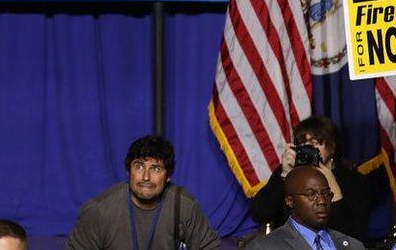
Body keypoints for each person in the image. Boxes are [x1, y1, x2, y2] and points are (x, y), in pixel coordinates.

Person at [65, 135, 219, 250]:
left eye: (156, 169)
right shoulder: (99, 210)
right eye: (139, 167)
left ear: (168, 176)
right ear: (128, 171)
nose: (146, 177)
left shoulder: (184, 205)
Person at [248, 115, 372, 240]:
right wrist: (285, 176)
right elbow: (259, 213)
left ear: (332, 147)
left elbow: (354, 235)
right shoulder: (289, 172)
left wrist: (335, 192)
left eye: (314, 143)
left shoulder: (354, 181)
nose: (308, 148)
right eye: (302, 143)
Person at [245, 165, 364, 250]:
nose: (322, 201)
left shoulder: (354, 246)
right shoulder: (263, 247)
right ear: (290, 201)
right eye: (311, 194)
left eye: (326, 194)